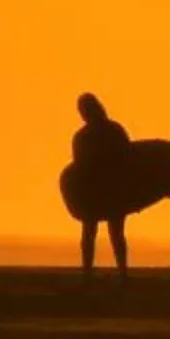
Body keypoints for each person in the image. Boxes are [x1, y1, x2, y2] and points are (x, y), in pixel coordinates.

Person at [69, 92, 134, 277]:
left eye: (84, 110)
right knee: (99, 233)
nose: (83, 114)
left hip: (106, 191)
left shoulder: (89, 135)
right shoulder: (109, 131)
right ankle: (99, 274)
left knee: (108, 233)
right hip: (102, 191)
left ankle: (115, 273)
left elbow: (128, 161)